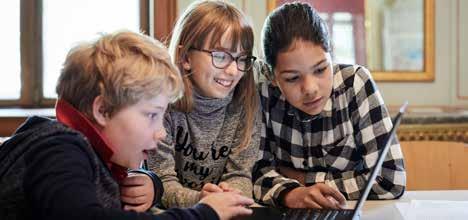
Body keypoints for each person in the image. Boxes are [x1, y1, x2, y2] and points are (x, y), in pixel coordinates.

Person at [0, 30, 253, 220]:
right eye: (151, 115)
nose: (161, 131)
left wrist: (151, 184)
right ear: (102, 110)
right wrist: (202, 214)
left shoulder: (88, 151)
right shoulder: (59, 148)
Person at [252, 2, 406, 209]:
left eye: (320, 69)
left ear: (331, 56)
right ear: (272, 77)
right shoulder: (263, 94)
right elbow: (255, 174)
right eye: (292, 78)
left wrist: (304, 180)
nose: (310, 88)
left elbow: (390, 180)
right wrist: (293, 195)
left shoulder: (355, 83)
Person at [146, 0, 261, 208]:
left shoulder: (245, 103)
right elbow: (160, 182)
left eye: (242, 58)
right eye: (220, 56)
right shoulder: (162, 107)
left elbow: (240, 174)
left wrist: (230, 195)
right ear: (185, 56)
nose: (234, 71)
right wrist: (201, 201)